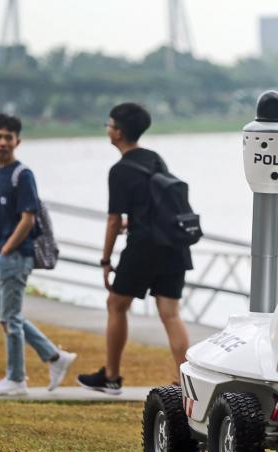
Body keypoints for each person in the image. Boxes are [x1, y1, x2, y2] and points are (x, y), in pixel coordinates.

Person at [77, 103, 192, 394]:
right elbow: (157, 202)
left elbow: (114, 220)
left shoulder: (119, 170)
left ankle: (111, 376)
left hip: (143, 247)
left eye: (110, 124)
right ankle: (185, 382)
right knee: (170, 313)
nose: (108, 128)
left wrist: (105, 260)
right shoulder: (154, 158)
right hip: (173, 244)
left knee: (116, 305)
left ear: (117, 132)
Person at [0, 113, 76, 396]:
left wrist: (7, 249)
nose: (2, 142)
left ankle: (16, 379)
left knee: (10, 319)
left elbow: (28, 218)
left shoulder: (22, 175)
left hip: (14, 255)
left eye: (8, 138)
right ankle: (55, 356)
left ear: (18, 141)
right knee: (8, 317)